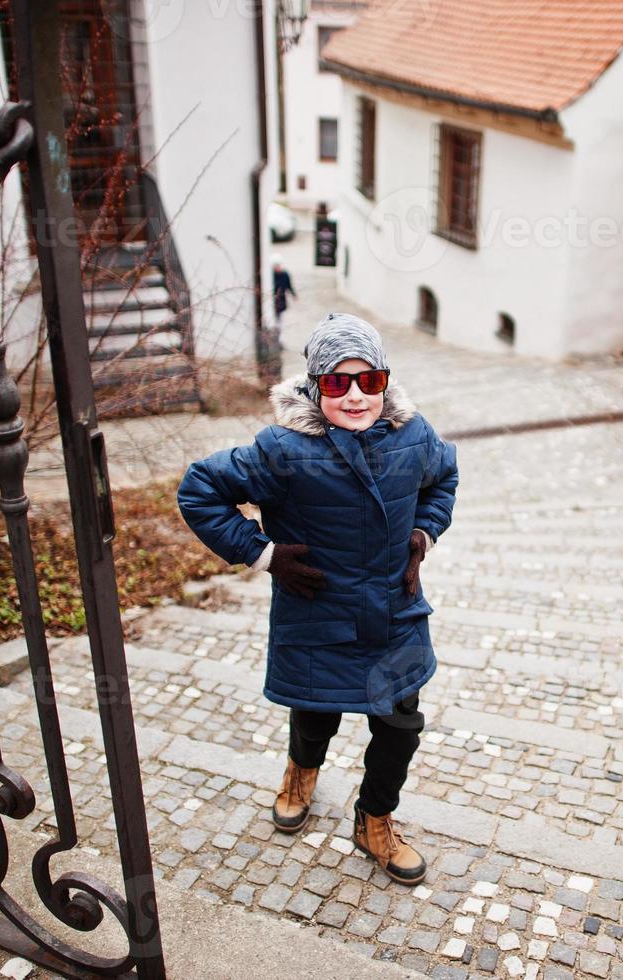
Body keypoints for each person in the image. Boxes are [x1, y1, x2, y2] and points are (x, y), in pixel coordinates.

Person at [177, 313, 459, 885]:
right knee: (315, 712)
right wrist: (263, 555)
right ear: (314, 386)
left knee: (400, 726)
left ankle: (374, 819)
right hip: (317, 614)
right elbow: (199, 488)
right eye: (337, 383)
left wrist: (422, 534)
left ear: (385, 380)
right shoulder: (282, 449)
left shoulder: (414, 435)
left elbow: (443, 479)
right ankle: (300, 773)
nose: (355, 396)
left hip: (394, 613)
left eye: (369, 381)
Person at [271, 254, 296, 326]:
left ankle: (279, 331)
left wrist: (294, 295)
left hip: (281, 300)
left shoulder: (285, 274)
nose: (277, 267)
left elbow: (289, 286)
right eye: (275, 266)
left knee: (280, 320)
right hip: (272, 299)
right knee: (274, 319)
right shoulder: (270, 275)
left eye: (278, 265)